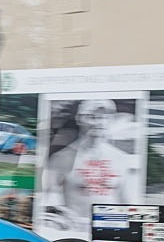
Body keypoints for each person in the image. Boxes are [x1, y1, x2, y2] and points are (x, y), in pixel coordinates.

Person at [41, 99, 139, 233]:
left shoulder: (121, 159)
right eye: (92, 117)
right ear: (79, 119)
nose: (99, 122)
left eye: (105, 117)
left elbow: (131, 205)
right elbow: (47, 202)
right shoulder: (61, 159)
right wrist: (58, 215)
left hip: (111, 233)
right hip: (74, 234)